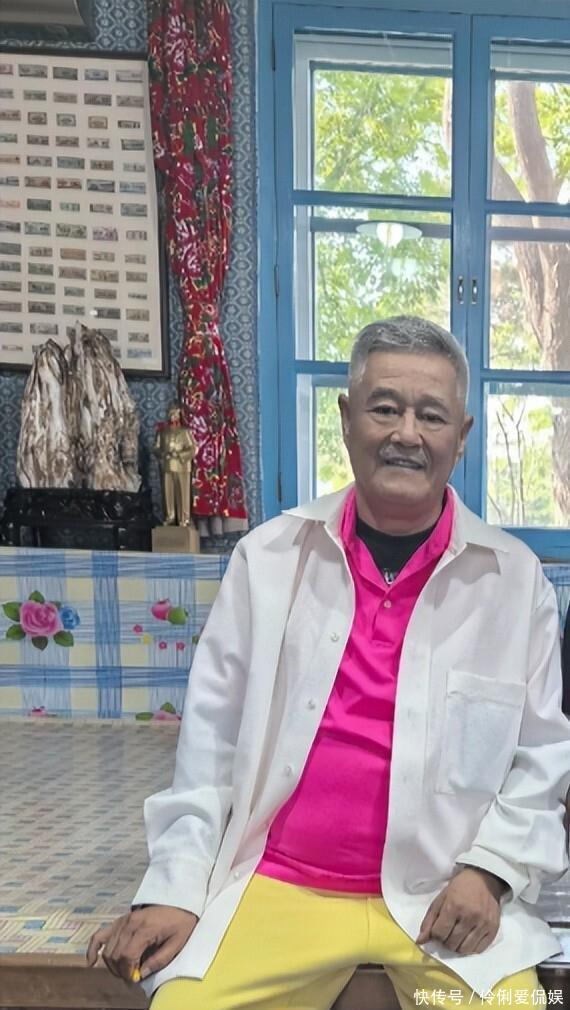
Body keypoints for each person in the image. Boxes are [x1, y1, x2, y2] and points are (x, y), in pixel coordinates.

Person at [87, 316, 570, 1010]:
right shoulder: (268, 560)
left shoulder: (515, 582)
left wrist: (490, 873)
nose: (406, 433)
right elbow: (210, 748)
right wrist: (175, 886)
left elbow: (543, 758)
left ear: (461, 436)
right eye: (385, 408)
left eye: (431, 415)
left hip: (443, 899)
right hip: (284, 885)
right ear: (346, 419)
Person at [153, 405, 197, 527]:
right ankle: (170, 516)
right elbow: (156, 448)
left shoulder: (185, 431)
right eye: (171, 414)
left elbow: (193, 448)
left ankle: (184, 518)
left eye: (175, 414)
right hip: (167, 466)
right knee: (168, 493)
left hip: (182, 466)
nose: (173, 417)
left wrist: (180, 454)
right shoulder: (162, 432)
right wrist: (163, 454)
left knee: (183, 493)